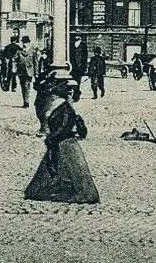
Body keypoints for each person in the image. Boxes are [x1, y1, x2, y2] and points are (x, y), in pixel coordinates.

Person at [24, 75, 100, 204]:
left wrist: (51, 138)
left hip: (64, 143)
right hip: (61, 142)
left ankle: (69, 189)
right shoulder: (61, 106)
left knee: (71, 169)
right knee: (57, 168)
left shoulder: (63, 107)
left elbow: (63, 126)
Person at [16, 36, 35, 108]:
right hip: (21, 72)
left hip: (29, 71)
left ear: (29, 43)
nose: (24, 44)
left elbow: (35, 62)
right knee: (23, 86)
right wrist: (15, 68)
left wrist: (36, 73)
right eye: (23, 42)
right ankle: (25, 100)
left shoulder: (32, 51)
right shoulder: (19, 51)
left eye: (26, 43)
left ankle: (26, 101)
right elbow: (15, 60)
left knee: (26, 85)